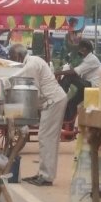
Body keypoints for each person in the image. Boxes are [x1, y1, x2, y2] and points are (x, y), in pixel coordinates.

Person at [10, 43, 69, 186]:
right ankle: (43, 173)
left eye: (12, 57)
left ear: (18, 56)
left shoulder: (31, 66)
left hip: (53, 101)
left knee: (46, 138)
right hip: (51, 101)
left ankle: (46, 176)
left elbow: (32, 91)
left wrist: (21, 113)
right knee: (45, 137)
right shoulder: (33, 61)